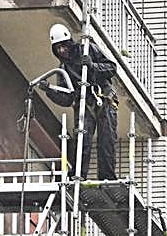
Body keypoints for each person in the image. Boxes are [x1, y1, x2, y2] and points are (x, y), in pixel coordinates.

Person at [42, 23, 119, 181]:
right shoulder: (63, 69)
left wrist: (92, 66)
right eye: (58, 48)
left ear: (69, 43)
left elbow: (111, 68)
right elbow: (67, 98)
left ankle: (107, 176)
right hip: (83, 104)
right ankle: (79, 174)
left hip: (103, 97)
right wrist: (50, 91)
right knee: (82, 139)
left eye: (64, 46)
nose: (62, 51)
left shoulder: (88, 49)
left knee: (106, 139)